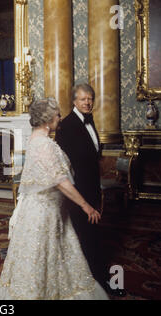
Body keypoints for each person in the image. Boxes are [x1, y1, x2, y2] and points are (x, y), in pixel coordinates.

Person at [0, 99, 108, 300]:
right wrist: (85, 205)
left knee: (51, 257)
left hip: (44, 210)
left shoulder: (36, 140)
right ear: (47, 119)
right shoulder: (45, 145)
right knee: (43, 257)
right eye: (58, 115)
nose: (60, 118)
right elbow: (61, 181)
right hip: (44, 214)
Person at [55, 83, 126, 297]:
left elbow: (93, 152)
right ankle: (98, 279)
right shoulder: (66, 125)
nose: (87, 102)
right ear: (74, 101)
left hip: (92, 186)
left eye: (90, 99)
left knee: (92, 231)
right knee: (86, 234)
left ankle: (95, 272)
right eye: (83, 99)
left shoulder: (90, 119)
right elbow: (64, 164)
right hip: (77, 190)